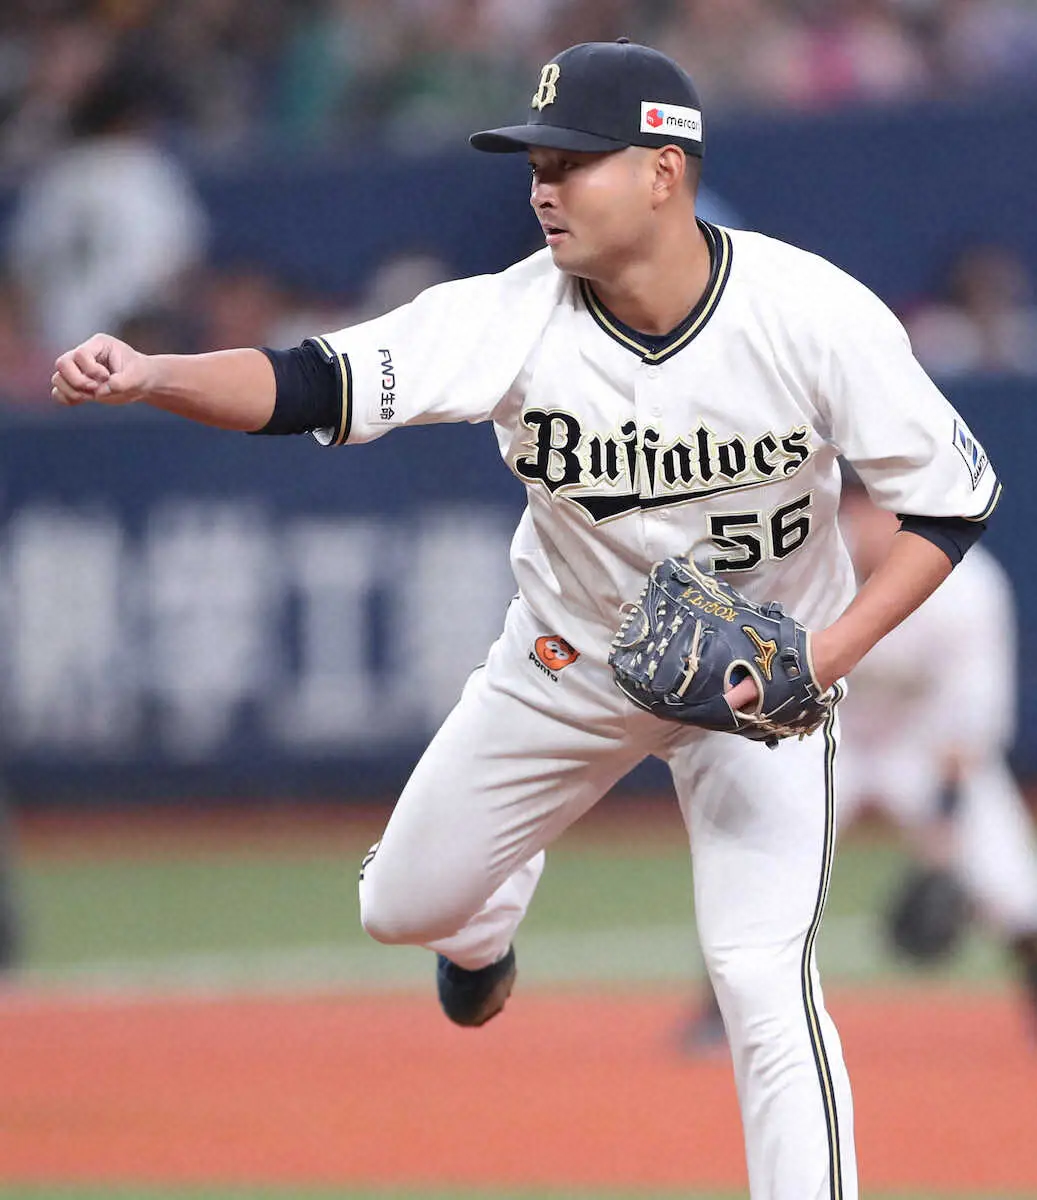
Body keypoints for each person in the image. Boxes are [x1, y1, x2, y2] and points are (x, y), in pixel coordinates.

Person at [51, 39, 1002, 1200]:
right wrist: (153, 373)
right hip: (564, 669)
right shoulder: (508, 316)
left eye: (572, 162)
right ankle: (485, 923)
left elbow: (951, 500)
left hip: (756, 694)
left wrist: (822, 652)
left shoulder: (808, 313)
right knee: (399, 907)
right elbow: (309, 382)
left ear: (662, 170)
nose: (543, 188)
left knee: (763, 984)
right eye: (536, 165)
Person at [681, 478, 1037, 1054]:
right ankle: (720, 1011)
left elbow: (969, 727)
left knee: (1009, 880)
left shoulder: (968, 589)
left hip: (925, 744)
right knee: (765, 855)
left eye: (878, 509)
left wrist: (943, 837)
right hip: (830, 729)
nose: (864, 523)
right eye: (855, 509)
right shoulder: (812, 569)